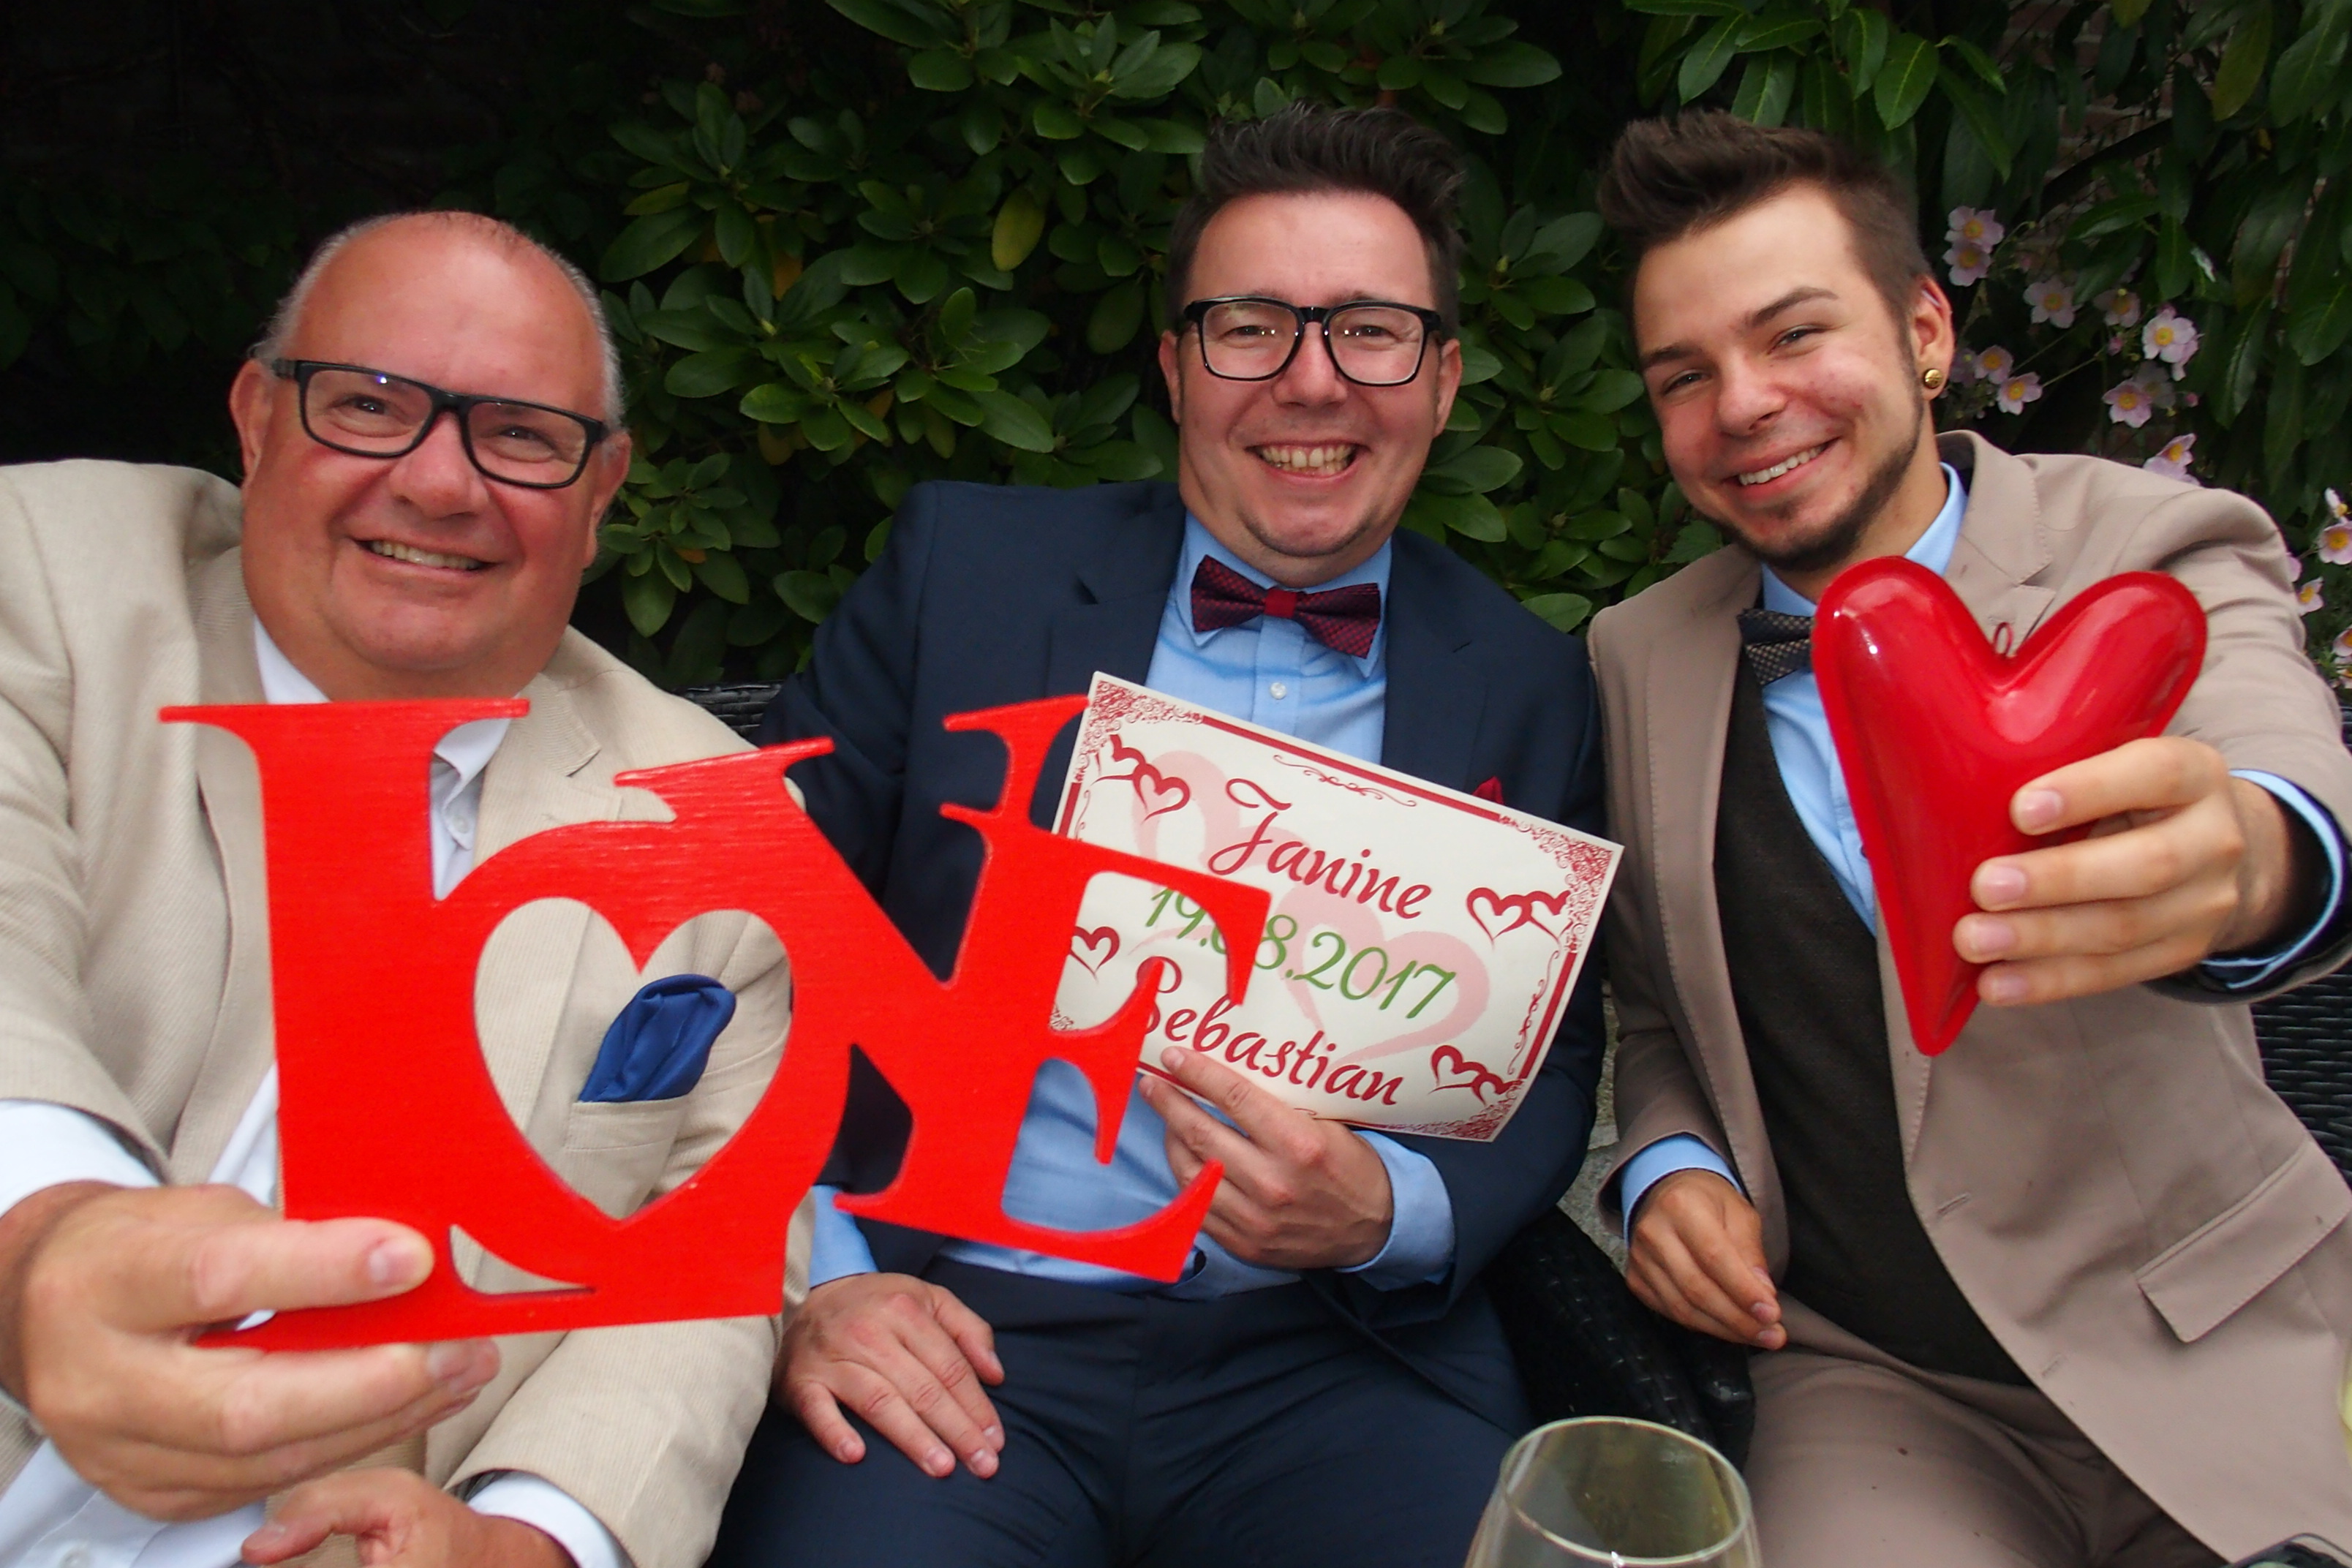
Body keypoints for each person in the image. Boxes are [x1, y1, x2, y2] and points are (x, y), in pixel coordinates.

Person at [708, 104, 1605, 1567]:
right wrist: (817, 1268)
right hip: (948, 1320)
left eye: (1372, 333)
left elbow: (1551, 1061)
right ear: (1177, 366)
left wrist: (1392, 1210)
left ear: (1443, 380)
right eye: (1250, 328)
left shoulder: (1529, 680)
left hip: (1339, 1360)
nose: (1312, 381)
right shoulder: (964, 572)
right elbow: (751, 919)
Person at [1590, 110, 2352, 1566]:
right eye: (1684, 376)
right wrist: (1669, 1165)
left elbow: (2281, 770)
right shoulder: (1637, 654)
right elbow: (1657, 1007)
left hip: (2218, 1333)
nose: (1742, 404)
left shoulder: (2151, 544)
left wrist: (2253, 861)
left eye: (1794, 334)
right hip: (1875, 1383)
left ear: (1926, 334)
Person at [0, 211, 804, 1568]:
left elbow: (710, 1266)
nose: (439, 484)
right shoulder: (41, 571)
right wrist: (42, 1249)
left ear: (603, 492)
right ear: (257, 419)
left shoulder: (713, 814)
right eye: (368, 405)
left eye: (522, 435)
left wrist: (528, 1540)